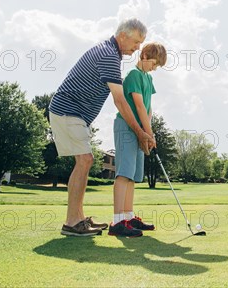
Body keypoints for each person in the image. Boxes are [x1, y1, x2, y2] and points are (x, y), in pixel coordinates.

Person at [49, 19, 155, 237]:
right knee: (85, 160)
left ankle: (78, 219)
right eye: (136, 42)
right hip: (68, 110)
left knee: (85, 161)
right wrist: (140, 132)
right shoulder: (108, 56)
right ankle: (72, 222)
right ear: (123, 36)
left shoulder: (110, 53)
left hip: (75, 114)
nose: (137, 48)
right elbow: (120, 100)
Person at [109, 42, 167, 238]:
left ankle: (128, 216)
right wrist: (148, 134)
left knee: (133, 175)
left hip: (141, 129)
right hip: (126, 127)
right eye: (154, 63)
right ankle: (117, 221)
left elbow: (149, 109)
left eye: (157, 65)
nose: (154, 68)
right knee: (124, 173)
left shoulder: (148, 79)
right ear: (143, 56)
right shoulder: (133, 75)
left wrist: (150, 133)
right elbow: (139, 106)